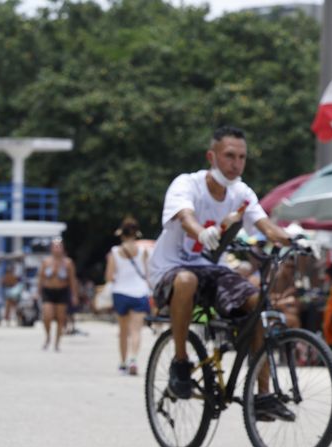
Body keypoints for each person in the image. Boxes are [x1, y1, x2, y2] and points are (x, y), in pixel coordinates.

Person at [148, 126, 291, 416]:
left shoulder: (241, 192)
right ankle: (180, 361)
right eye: (229, 156)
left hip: (212, 270)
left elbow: (265, 226)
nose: (236, 163)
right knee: (186, 280)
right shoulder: (188, 184)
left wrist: (295, 241)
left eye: (241, 157)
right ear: (211, 156)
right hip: (172, 268)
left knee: (256, 303)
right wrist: (201, 233)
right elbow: (184, 216)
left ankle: (262, 395)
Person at [104, 216, 152, 375]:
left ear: (121, 233)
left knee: (123, 331)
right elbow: (147, 274)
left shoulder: (115, 252)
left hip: (121, 292)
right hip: (140, 292)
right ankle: (133, 359)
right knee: (136, 330)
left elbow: (110, 276)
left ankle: (123, 363)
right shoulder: (143, 251)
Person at [36, 238, 78, 351]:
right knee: (47, 316)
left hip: (62, 291)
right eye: (55, 246)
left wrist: (74, 295)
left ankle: (57, 342)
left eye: (59, 246)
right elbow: (41, 278)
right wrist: (37, 292)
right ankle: (48, 336)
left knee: (61, 318)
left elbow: (72, 280)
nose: (57, 248)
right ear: (51, 248)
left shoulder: (68, 263)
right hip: (48, 291)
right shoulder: (46, 262)